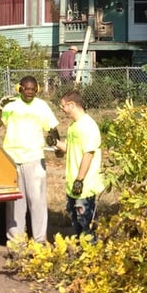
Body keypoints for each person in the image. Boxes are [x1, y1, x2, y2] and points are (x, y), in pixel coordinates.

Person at [0, 76, 58, 244]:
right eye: (27, 89)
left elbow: (52, 127)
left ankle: (39, 241)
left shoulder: (41, 106)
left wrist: (55, 142)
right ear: (19, 88)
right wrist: (0, 106)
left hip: (33, 157)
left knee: (37, 201)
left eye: (33, 89)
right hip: (12, 158)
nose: (30, 92)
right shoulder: (11, 104)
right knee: (15, 203)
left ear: (37, 90)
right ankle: (16, 241)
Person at [55, 90, 103, 242]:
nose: (61, 109)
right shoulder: (73, 126)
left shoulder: (88, 126)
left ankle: (92, 255)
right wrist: (55, 143)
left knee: (86, 223)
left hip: (84, 185)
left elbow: (88, 153)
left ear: (72, 105)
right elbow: (70, 148)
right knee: (76, 223)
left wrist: (80, 179)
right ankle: (80, 253)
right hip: (72, 185)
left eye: (63, 106)